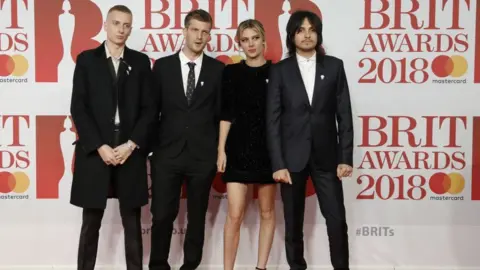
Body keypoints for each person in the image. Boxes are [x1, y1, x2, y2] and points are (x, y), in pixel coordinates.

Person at [265, 10, 354, 270]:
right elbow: (272, 120)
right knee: (293, 223)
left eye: (311, 29)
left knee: (336, 219)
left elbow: (344, 114)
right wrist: (278, 163)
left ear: (319, 33)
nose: (306, 35)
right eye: (301, 30)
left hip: (327, 158)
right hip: (291, 159)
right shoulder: (280, 71)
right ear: (291, 36)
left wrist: (345, 157)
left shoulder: (335, 66)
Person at [69, 5, 155, 270]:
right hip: (96, 152)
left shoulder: (141, 62)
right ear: (105, 25)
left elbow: (149, 110)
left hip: (129, 151)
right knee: (90, 223)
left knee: (132, 224)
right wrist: (98, 145)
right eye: (116, 23)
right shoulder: (86, 60)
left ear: (131, 28)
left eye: (126, 25)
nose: (121, 29)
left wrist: (131, 145)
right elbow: (78, 108)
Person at [148, 9, 225, 270]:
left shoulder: (217, 70)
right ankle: (158, 265)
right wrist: (151, 150)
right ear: (184, 30)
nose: (200, 36)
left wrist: (217, 150)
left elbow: (220, 114)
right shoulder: (163, 66)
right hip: (166, 155)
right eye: (195, 30)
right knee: (161, 216)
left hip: (202, 157)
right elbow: (150, 109)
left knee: (197, 218)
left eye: (205, 32)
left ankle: (191, 266)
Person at [217, 19, 276, 270]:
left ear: (264, 40)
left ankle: (260, 267)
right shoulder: (231, 72)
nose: (250, 44)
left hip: (269, 151)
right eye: (245, 39)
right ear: (239, 43)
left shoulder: (278, 72)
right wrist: (221, 150)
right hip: (237, 150)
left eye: (254, 38)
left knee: (267, 212)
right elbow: (226, 113)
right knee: (234, 215)